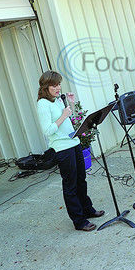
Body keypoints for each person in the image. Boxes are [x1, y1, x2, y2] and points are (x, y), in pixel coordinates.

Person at [36, 71, 104, 232]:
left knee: (81, 179)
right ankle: (79, 221)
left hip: (73, 142)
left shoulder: (57, 100)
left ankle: (87, 209)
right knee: (70, 184)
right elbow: (48, 130)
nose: (58, 88)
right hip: (62, 148)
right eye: (54, 85)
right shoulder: (43, 104)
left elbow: (69, 118)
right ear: (46, 87)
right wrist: (63, 114)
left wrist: (71, 105)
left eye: (59, 84)